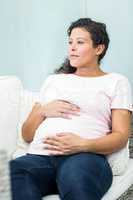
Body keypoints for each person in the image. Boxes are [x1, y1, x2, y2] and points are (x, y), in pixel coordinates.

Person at [10, 18, 133, 200]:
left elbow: (121, 137)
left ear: (99, 49)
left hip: (85, 158)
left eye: (80, 42)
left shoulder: (116, 81)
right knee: (12, 173)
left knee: (77, 180)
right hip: (39, 158)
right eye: (70, 42)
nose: (72, 48)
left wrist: (83, 144)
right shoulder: (54, 80)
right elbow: (27, 134)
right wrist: (42, 111)